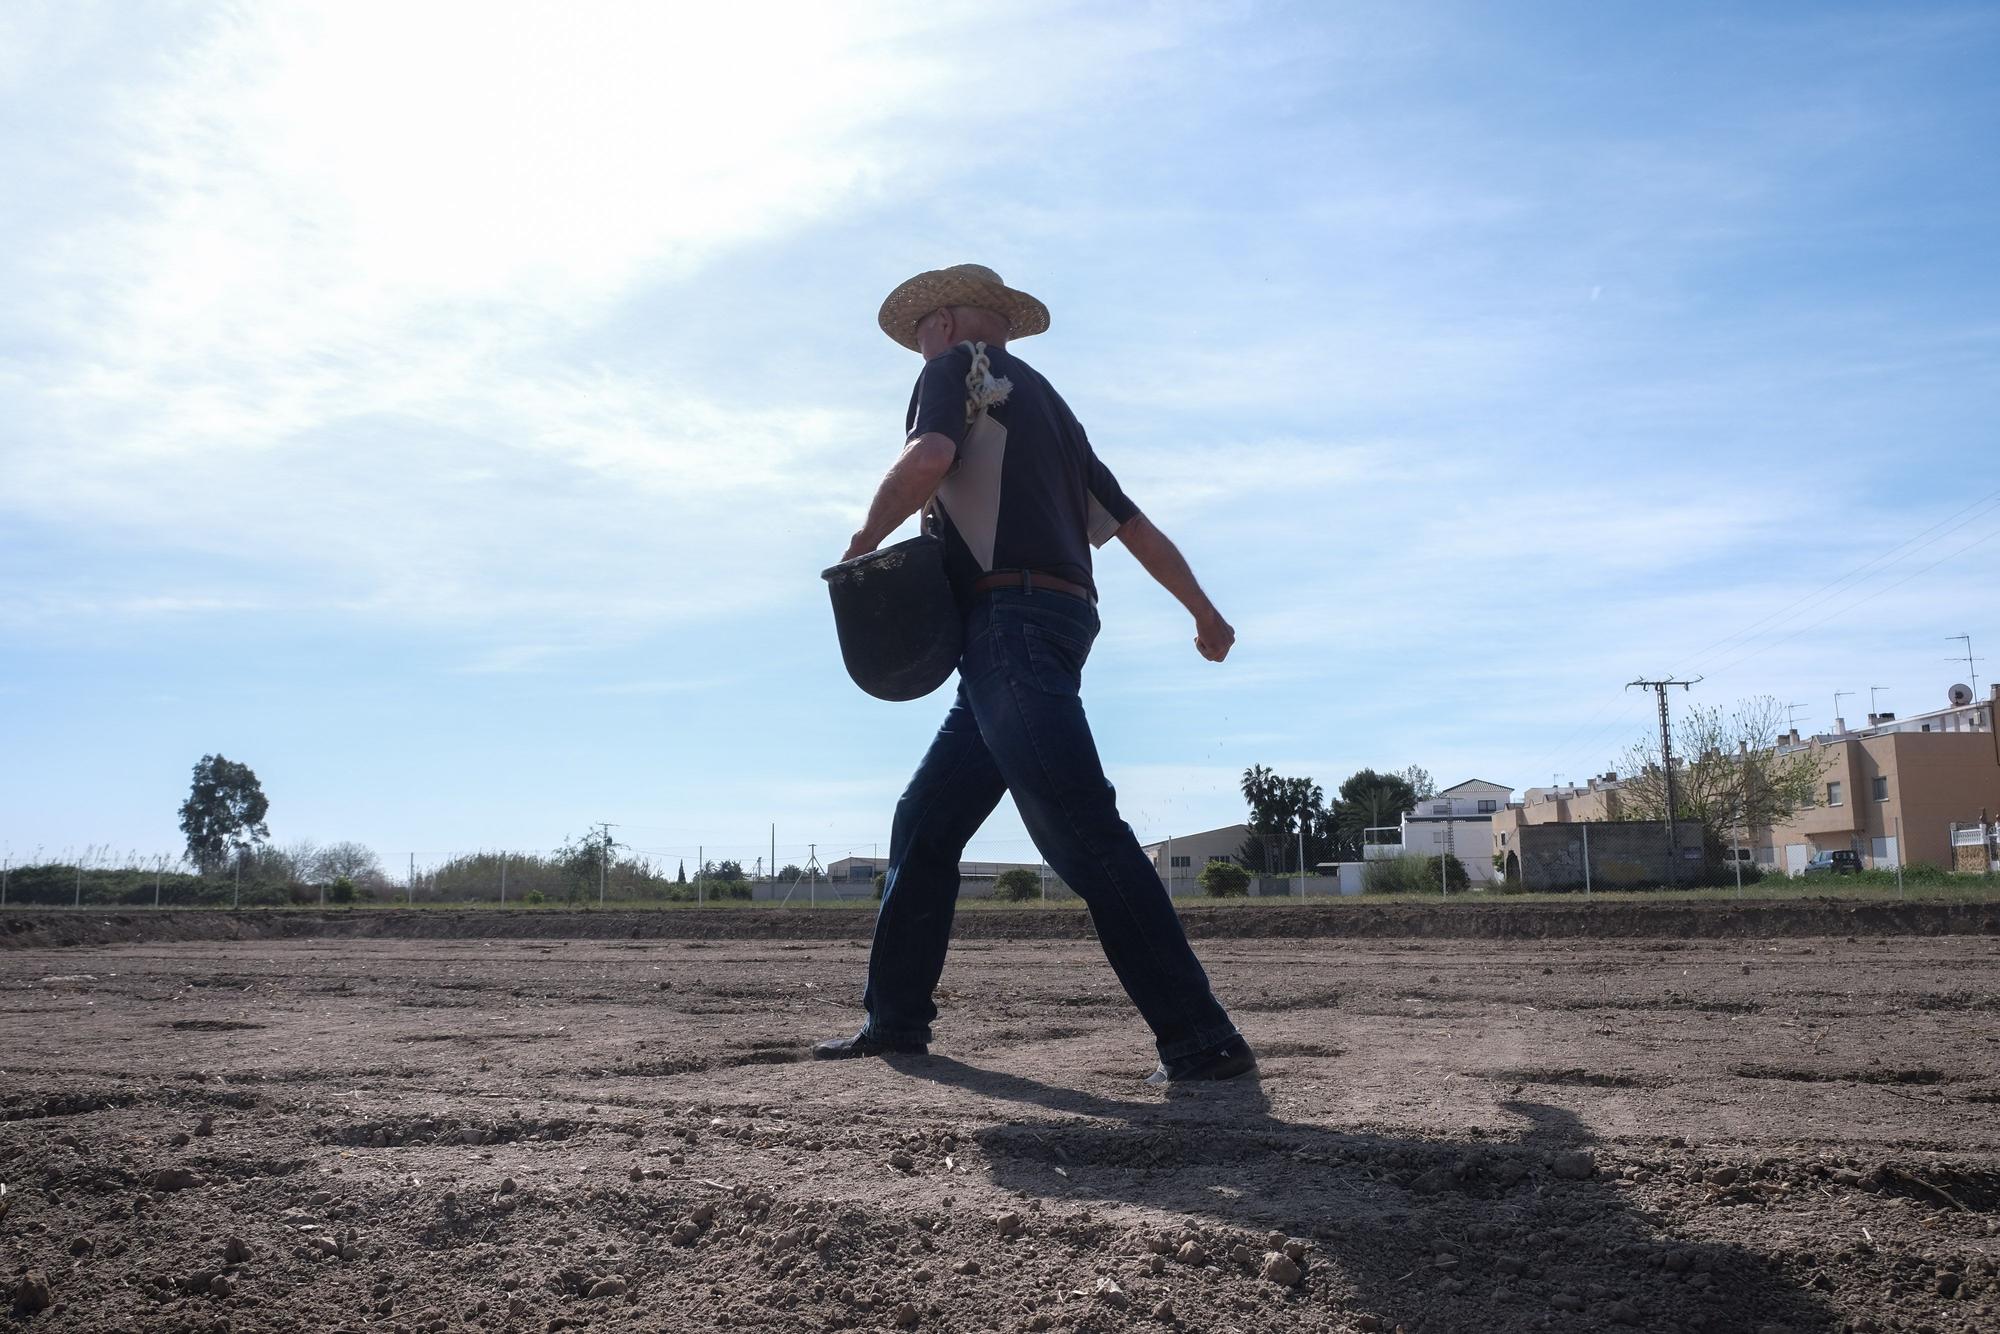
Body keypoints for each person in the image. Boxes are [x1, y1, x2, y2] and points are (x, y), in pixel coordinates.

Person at [815, 264, 1255, 1084]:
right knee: (927, 822)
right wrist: (1204, 610)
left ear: (942, 324)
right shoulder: (1052, 406)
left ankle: (1202, 1037)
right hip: (1050, 624)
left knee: (1079, 828)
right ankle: (896, 1020)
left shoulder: (951, 372)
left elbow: (930, 453)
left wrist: (861, 542)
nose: (918, 350)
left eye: (918, 337)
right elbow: (1134, 528)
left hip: (1006, 627)